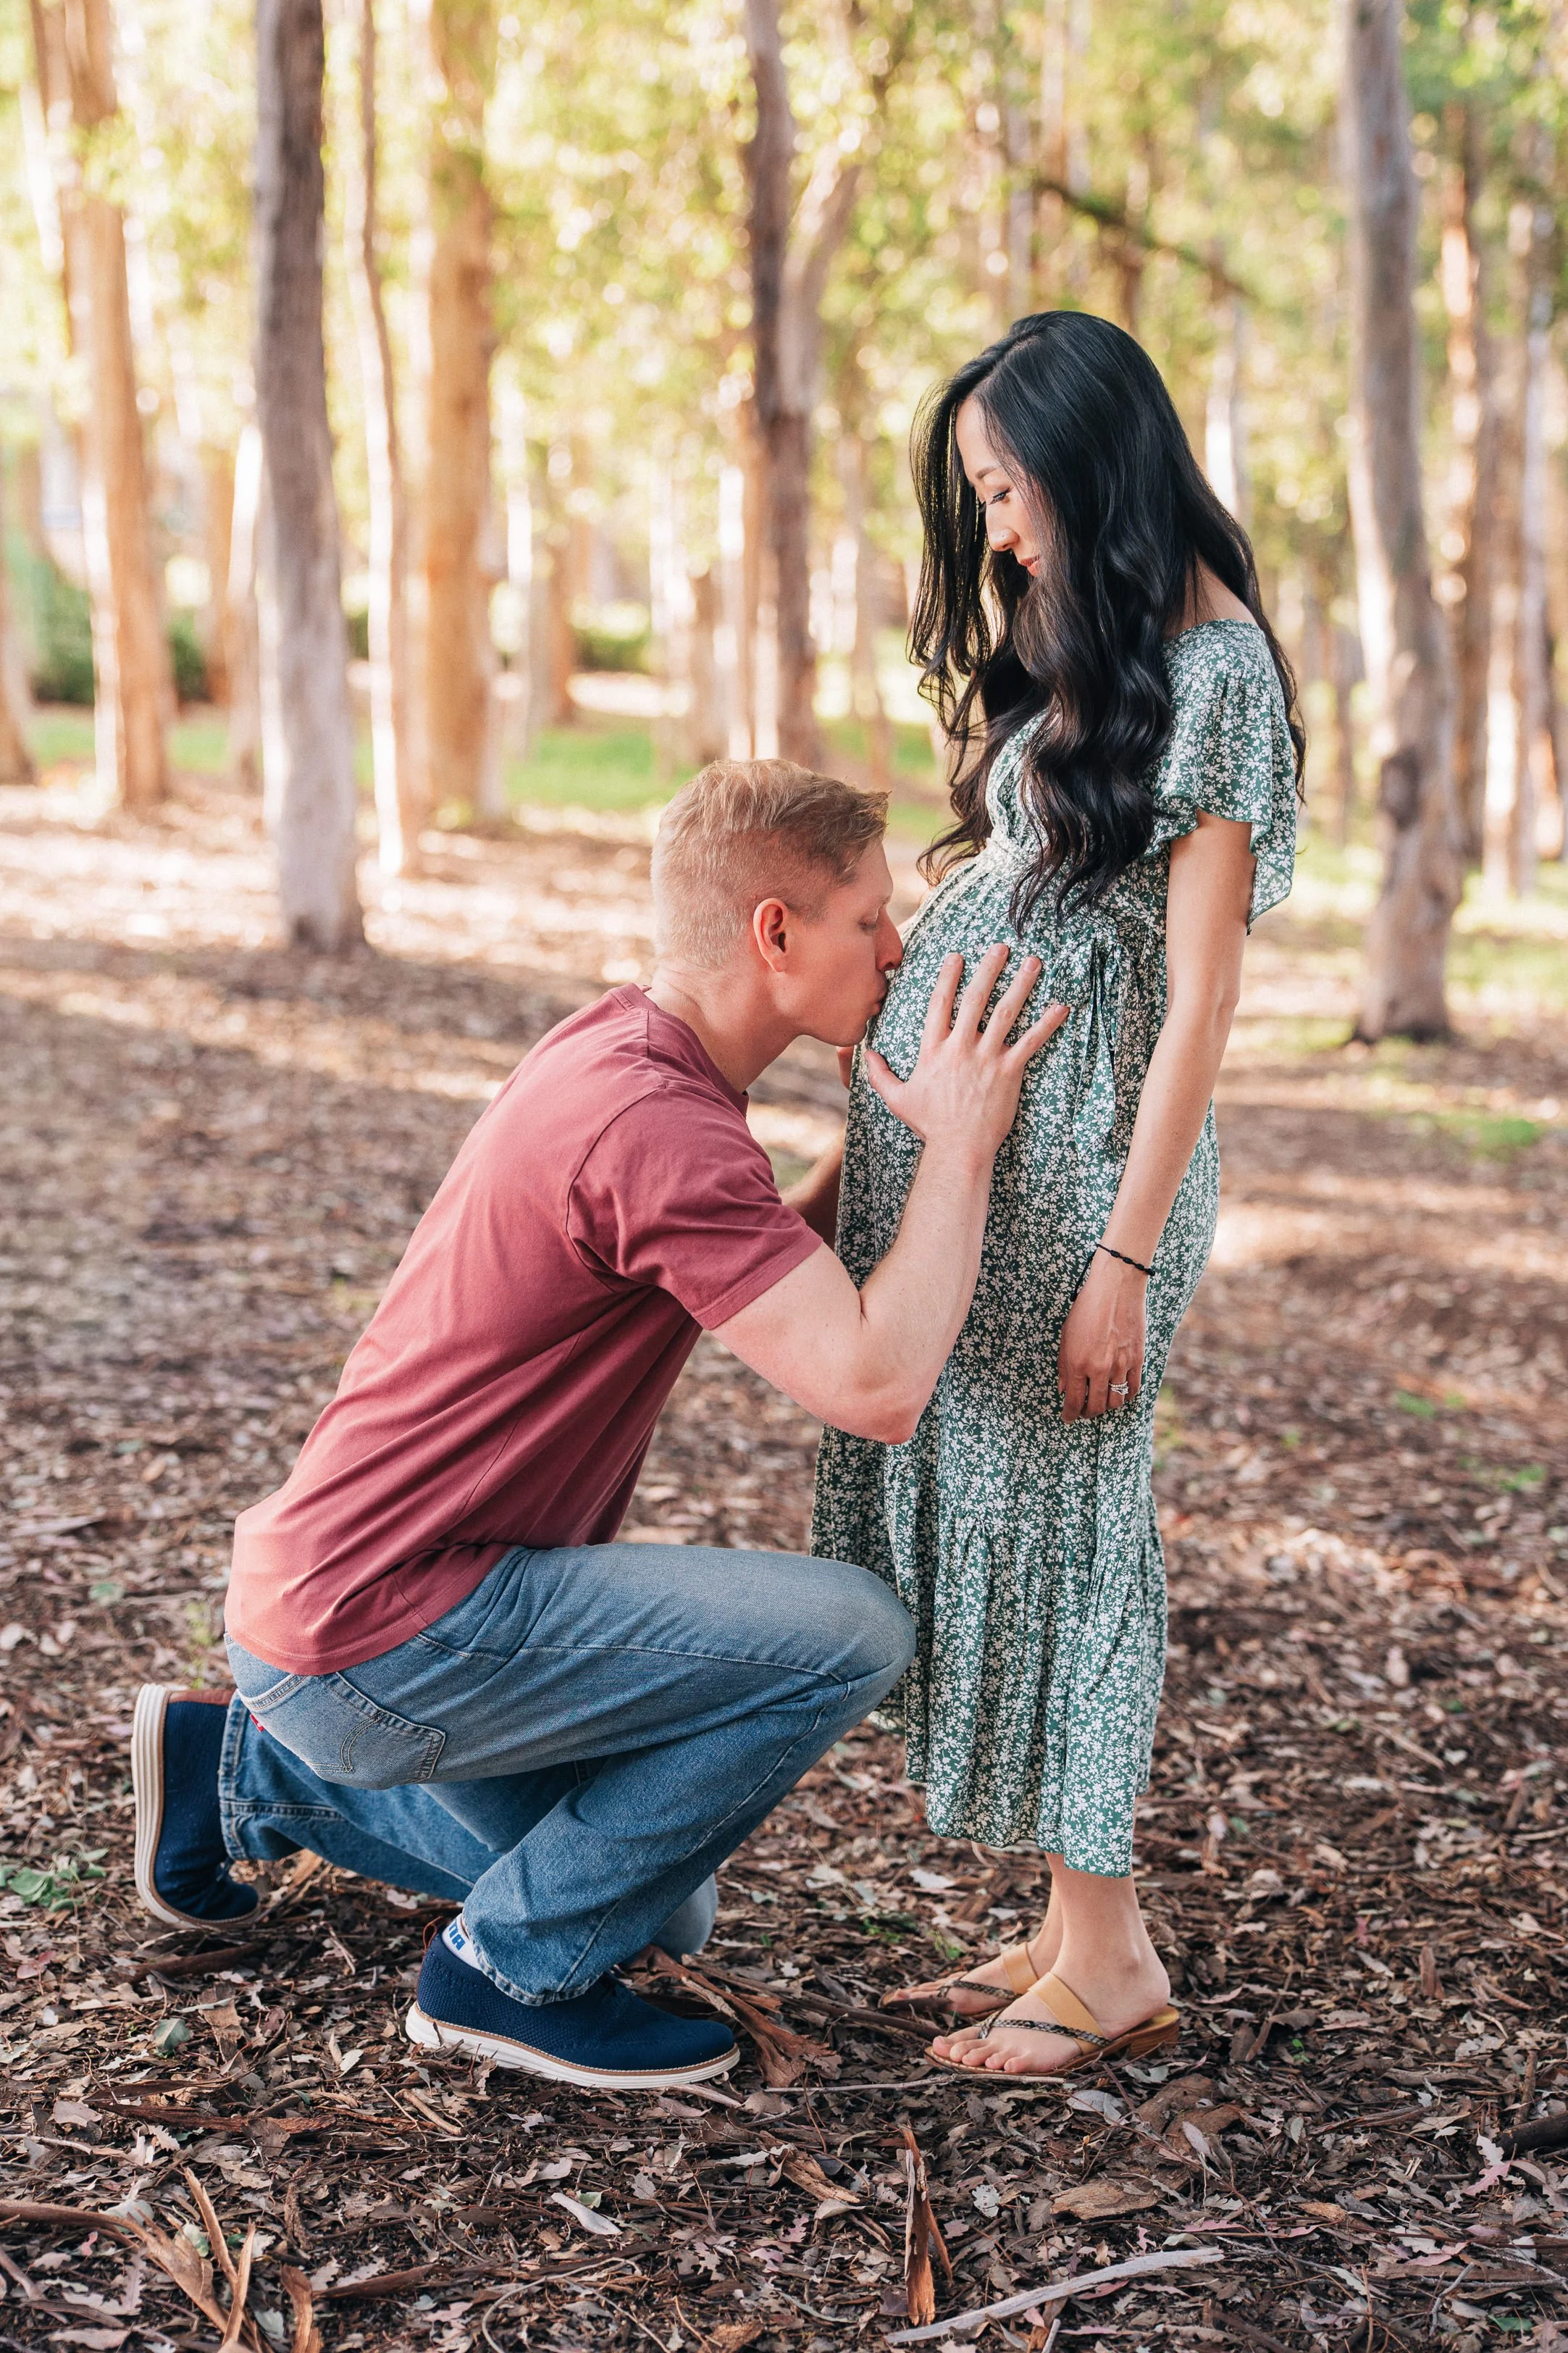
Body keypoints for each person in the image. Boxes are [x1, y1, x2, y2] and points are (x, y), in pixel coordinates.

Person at [131, 757, 1065, 2091]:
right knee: (854, 1630)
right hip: (390, 1625)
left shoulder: (624, 1050)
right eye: (869, 919)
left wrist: (879, 1138)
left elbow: (749, 1264)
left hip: (332, 1608)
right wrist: (964, 1141)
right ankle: (498, 1980)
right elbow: (876, 1382)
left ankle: (234, 1774)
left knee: (660, 1906)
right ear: (775, 933)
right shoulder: (658, 1123)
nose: (896, 949)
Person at [808, 311, 1303, 2077]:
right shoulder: (1090, 637)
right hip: (991, 1157)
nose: (996, 528)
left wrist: (1123, 1253)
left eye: (1006, 489)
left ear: (1087, 465)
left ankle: (1110, 1958)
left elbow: (1198, 1005)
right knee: (999, 1507)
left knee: (1069, 1530)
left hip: (1091, 1173)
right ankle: (1056, 1924)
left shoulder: (1221, 676)